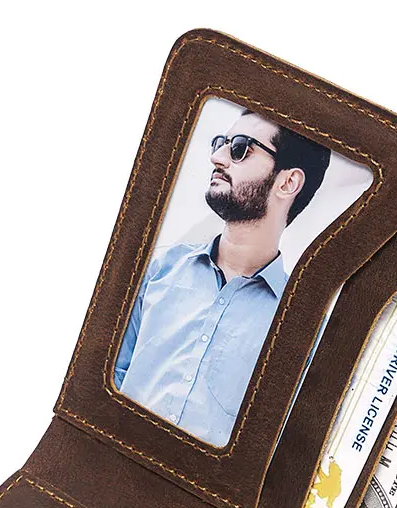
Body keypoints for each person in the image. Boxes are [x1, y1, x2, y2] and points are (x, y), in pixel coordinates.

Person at [113, 109, 331, 447]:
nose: (217, 158)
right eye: (221, 143)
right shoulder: (160, 269)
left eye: (240, 148)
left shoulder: (301, 328)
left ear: (288, 182)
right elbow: (108, 380)